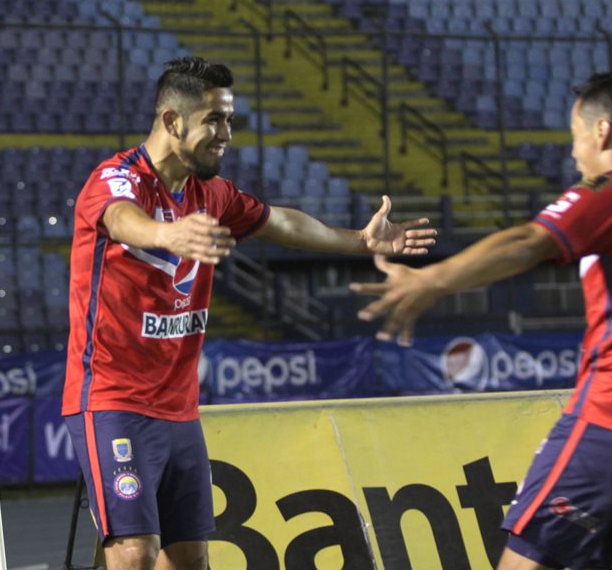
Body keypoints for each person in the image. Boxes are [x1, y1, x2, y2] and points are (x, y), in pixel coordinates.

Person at [353, 69, 612, 570]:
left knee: (526, 562)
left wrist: (432, 280)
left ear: (602, 131)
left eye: (576, 136)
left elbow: (528, 243)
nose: (574, 152)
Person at [60, 56, 437, 570]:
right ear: (172, 121)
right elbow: (122, 220)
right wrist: (167, 233)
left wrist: (359, 240)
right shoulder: (117, 180)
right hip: (112, 399)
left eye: (230, 121)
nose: (226, 134)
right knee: (133, 552)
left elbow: (280, 222)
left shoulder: (211, 194)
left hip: (179, 407)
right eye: (214, 120)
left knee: (190, 558)